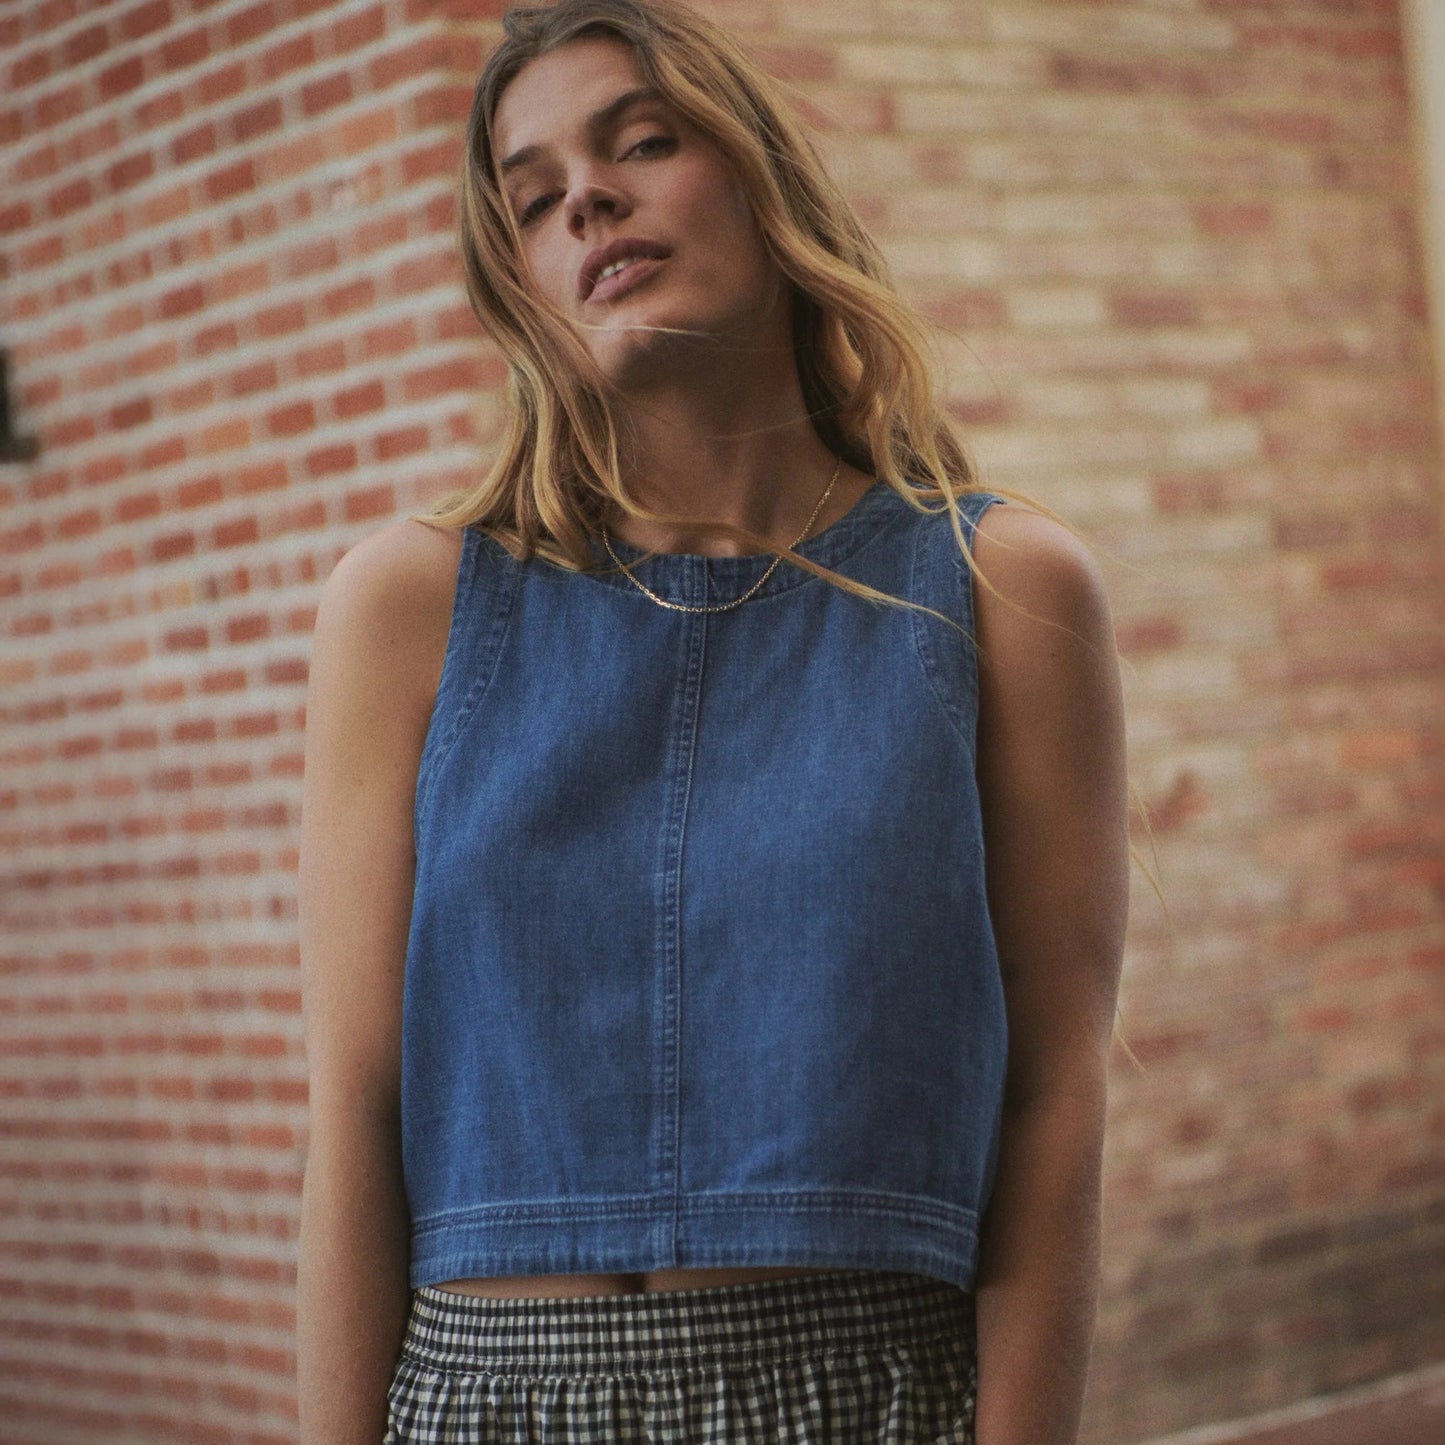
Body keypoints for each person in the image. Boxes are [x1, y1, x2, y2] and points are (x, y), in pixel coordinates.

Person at [294, 1, 1130, 1441]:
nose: (588, 203)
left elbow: (1052, 1101)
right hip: (491, 1398)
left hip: (865, 1390)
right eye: (535, 196)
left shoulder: (1001, 588)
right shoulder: (406, 608)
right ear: (519, 280)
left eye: (642, 142)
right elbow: (356, 1110)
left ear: (765, 177)